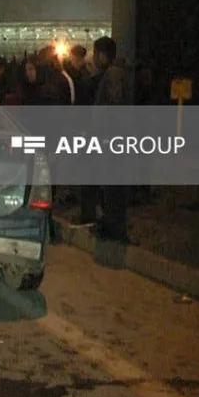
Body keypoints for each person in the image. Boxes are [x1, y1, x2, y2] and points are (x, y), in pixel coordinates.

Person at [77, 36, 131, 242]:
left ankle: (113, 231)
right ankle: (111, 227)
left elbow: (113, 109)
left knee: (113, 189)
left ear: (102, 55)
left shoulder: (113, 74)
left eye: (95, 53)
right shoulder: (112, 73)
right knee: (111, 188)